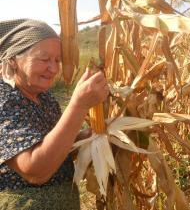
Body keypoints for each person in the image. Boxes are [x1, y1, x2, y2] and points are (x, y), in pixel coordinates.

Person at [0, 19, 109, 210]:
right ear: (13, 60)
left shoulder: (45, 98)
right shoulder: (5, 99)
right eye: (44, 59)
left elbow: (54, 147)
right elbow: (35, 171)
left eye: (57, 60)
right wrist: (79, 105)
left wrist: (87, 137)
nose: (53, 68)